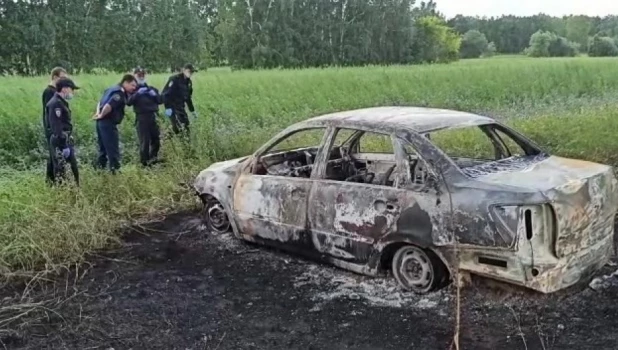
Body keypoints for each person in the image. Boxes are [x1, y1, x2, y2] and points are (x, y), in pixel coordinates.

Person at [93, 74, 138, 173]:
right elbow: (109, 106)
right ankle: (115, 173)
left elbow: (100, 102)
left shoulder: (111, 89)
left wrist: (98, 113)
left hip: (100, 123)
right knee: (113, 150)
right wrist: (102, 115)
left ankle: (99, 172)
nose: (134, 88)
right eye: (132, 85)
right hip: (108, 124)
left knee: (103, 149)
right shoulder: (119, 93)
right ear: (125, 82)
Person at [46, 78, 80, 186]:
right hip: (59, 140)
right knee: (60, 169)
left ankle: (76, 190)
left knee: (73, 168)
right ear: (64, 89)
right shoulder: (55, 104)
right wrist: (64, 144)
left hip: (65, 138)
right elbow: (57, 126)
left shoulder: (61, 102)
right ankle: (61, 192)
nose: (72, 92)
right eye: (71, 89)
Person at [127, 67, 163, 167]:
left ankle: (153, 159)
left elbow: (160, 100)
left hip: (154, 116)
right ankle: (144, 163)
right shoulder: (133, 91)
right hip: (142, 117)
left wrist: (154, 95)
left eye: (143, 75)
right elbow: (128, 102)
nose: (141, 76)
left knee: (156, 139)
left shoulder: (151, 89)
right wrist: (137, 94)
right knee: (145, 141)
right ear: (135, 76)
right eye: (139, 75)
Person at [42, 67, 68, 185]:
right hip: (53, 129)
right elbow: (52, 115)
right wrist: (56, 131)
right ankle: (58, 182)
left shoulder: (54, 92)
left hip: (54, 129)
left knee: (53, 156)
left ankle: (50, 181)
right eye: (62, 78)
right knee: (56, 156)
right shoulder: (49, 92)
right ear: (55, 77)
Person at [161, 63, 198, 136]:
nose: (190, 73)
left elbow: (188, 98)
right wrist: (167, 110)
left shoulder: (189, 82)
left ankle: (187, 145)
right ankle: (165, 137)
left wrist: (192, 110)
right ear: (184, 70)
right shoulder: (174, 79)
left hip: (180, 107)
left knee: (186, 125)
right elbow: (165, 94)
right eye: (189, 71)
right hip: (171, 107)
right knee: (176, 127)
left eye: (192, 72)